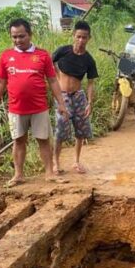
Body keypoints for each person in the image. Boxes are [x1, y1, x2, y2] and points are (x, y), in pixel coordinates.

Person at [0, 18, 70, 187]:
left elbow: (53, 81)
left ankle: (49, 173)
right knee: (18, 141)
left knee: (43, 140)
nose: (18, 40)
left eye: (22, 36)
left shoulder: (42, 55)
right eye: (14, 37)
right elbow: (1, 82)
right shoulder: (6, 56)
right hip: (16, 109)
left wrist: (61, 103)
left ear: (30, 34)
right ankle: (18, 175)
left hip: (39, 107)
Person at [51, 20, 98, 175]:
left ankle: (76, 162)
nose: (81, 41)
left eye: (84, 38)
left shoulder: (89, 60)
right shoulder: (63, 51)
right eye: (78, 37)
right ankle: (56, 163)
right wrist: (55, 78)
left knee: (81, 130)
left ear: (89, 38)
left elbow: (91, 83)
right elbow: (48, 64)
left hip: (78, 96)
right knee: (60, 129)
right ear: (73, 35)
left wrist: (89, 102)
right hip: (62, 95)